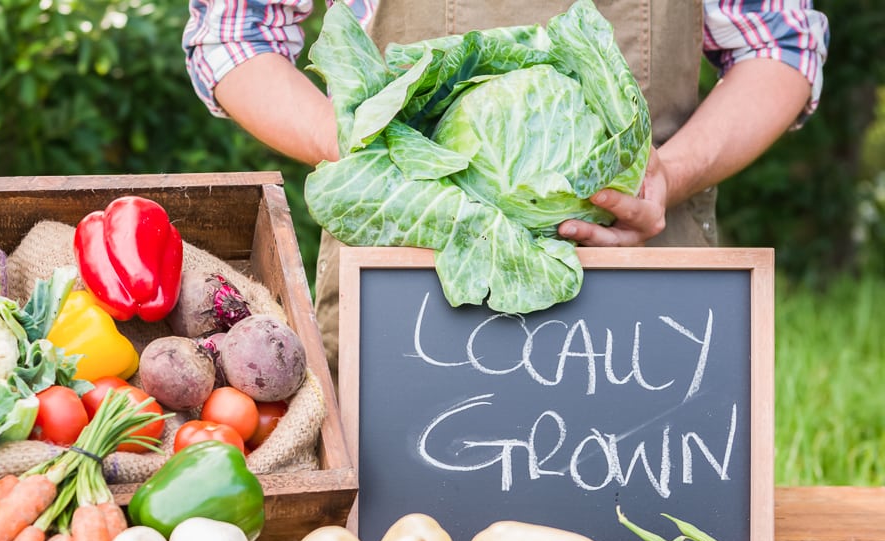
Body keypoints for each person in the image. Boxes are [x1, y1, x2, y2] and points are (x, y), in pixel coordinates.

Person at [183, 1, 830, 379]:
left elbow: (780, 45)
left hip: (643, 287)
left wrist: (669, 173)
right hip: (407, 282)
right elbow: (237, 34)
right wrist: (380, 145)